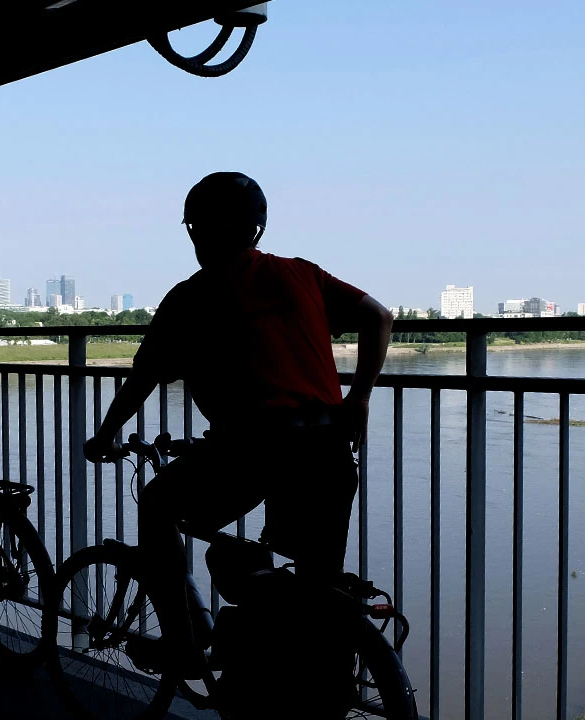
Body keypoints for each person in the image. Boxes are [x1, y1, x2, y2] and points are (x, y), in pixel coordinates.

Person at [83, 171, 393, 679]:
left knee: (158, 505)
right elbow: (379, 316)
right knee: (318, 584)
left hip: (252, 450)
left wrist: (104, 435)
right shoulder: (302, 274)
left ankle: (183, 642)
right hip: (328, 449)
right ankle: (323, 688)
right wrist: (358, 398)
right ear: (256, 229)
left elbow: (142, 379)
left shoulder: (189, 297)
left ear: (196, 231)